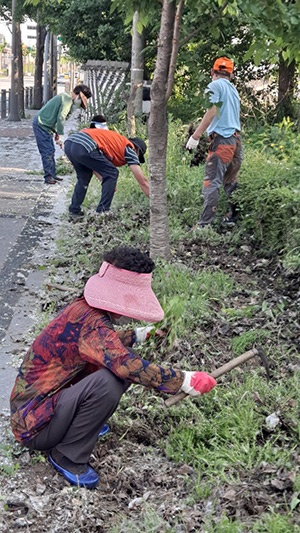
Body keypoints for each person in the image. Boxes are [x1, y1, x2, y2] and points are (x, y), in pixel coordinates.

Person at [10, 246, 217, 489]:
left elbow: (103, 344)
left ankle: (81, 426)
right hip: (34, 425)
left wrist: (140, 335)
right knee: (108, 382)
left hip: (38, 407)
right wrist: (184, 380)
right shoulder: (93, 324)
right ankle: (67, 455)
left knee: (120, 361)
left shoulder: (86, 310)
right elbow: (125, 364)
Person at [186, 57, 243, 228]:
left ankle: (204, 225)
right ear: (231, 75)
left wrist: (195, 136)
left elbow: (213, 110)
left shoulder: (214, 86)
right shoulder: (233, 90)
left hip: (223, 140)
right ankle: (233, 218)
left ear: (213, 72)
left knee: (212, 182)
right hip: (235, 141)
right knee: (230, 180)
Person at [64, 124, 150, 220]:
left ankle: (74, 210)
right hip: (85, 145)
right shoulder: (130, 149)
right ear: (137, 151)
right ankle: (102, 212)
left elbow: (95, 165)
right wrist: (156, 201)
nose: (136, 159)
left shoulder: (114, 142)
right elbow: (143, 182)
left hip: (71, 143)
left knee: (83, 178)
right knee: (113, 173)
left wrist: (107, 183)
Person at [32, 84, 92, 185]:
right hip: (41, 124)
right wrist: (61, 135)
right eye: (81, 102)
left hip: (47, 125)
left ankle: (52, 174)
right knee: (47, 152)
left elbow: (57, 117)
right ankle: (48, 176)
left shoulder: (66, 98)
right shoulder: (67, 99)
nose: (79, 105)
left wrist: (56, 133)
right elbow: (61, 118)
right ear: (78, 96)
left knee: (51, 150)